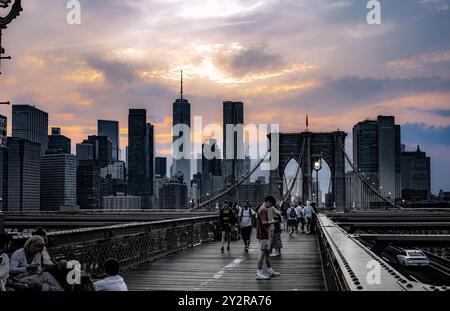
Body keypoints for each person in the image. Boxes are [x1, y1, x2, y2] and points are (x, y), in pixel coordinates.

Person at [255, 196, 281, 280]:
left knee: (267, 253)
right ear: (268, 202)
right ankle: (259, 273)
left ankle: (270, 270)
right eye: (271, 204)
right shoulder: (263, 210)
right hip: (264, 234)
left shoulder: (260, 209)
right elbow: (263, 222)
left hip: (263, 233)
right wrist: (273, 221)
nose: (271, 206)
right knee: (262, 253)